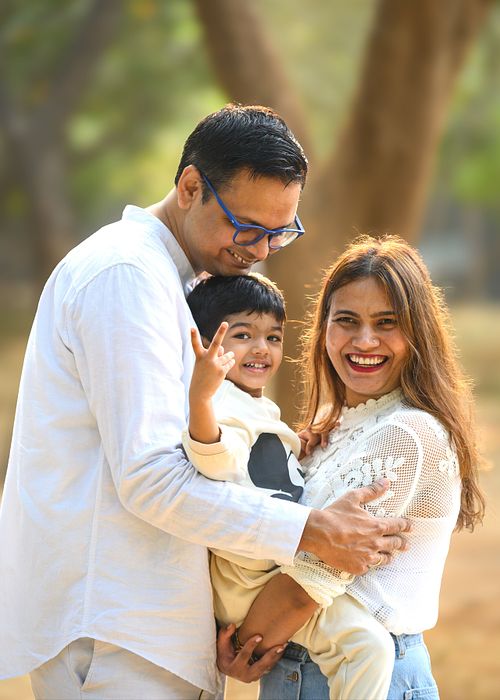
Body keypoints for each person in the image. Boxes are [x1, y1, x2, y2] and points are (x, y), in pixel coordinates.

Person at [0, 105, 410, 700]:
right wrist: (310, 531)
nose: (260, 249)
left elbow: (206, 455)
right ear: (191, 187)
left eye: (280, 232)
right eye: (246, 227)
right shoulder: (125, 276)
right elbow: (150, 479)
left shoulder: (181, 281)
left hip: (148, 625)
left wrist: (232, 622)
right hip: (115, 627)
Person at [232, 234, 485, 700]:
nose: (364, 341)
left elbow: (308, 583)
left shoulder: (407, 432)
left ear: (418, 332)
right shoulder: (337, 426)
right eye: (346, 321)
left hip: (370, 671)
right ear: (324, 328)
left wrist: (240, 645)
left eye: (387, 323)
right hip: (298, 667)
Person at [184, 272, 395, 700]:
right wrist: (201, 400)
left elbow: (258, 470)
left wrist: (298, 447)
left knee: (370, 646)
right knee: (368, 648)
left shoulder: (258, 405)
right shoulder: (217, 403)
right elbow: (214, 456)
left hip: (273, 567)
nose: (262, 348)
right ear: (206, 345)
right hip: (249, 579)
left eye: (273, 337)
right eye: (243, 335)